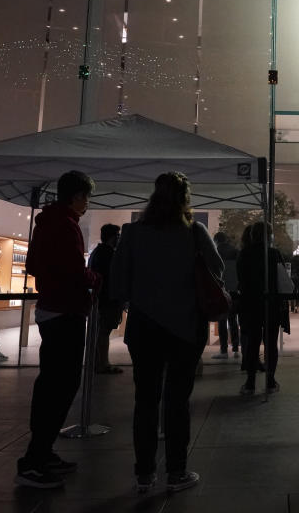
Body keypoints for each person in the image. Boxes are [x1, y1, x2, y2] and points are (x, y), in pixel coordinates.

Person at [112, 172, 222, 494]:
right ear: (185, 198)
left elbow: (119, 280)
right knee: (177, 400)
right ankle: (176, 472)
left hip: (144, 327)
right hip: (185, 328)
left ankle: (144, 474)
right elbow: (217, 271)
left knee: (145, 400)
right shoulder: (194, 232)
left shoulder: (132, 233)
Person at [16, 171, 100, 489]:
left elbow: (36, 266)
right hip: (66, 310)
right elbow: (73, 270)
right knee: (61, 385)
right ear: (76, 196)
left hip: (52, 309)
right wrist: (95, 279)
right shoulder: (65, 226)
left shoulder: (48, 223)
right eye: (85, 197)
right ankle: (34, 460)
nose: (87, 204)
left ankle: (43, 452)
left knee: (53, 382)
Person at [236, 222, 289, 395]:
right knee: (270, 343)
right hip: (271, 304)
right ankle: (271, 380)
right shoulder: (273, 254)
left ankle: (250, 382)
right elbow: (283, 281)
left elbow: (240, 280)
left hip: (251, 304)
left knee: (252, 342)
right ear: (269, 236)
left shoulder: (244, 254)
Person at [89, 223, 123, 374]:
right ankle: (103, 364)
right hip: (108, 299)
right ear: (112, 237)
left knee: (100, 331)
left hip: (99, 298)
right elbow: (114, 278)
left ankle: (98, 362)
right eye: (117, 235)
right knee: (104, 332)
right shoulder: (109, 254)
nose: (119, 238)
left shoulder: (97, 252)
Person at [212, 232, 241, 360]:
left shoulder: (215, 251)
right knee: (233, 320)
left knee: (222, 320)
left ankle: (224, 350)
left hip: (220, 290)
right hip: (234, 290)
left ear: (216, 240)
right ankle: (236, 349)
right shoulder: (235, 252)